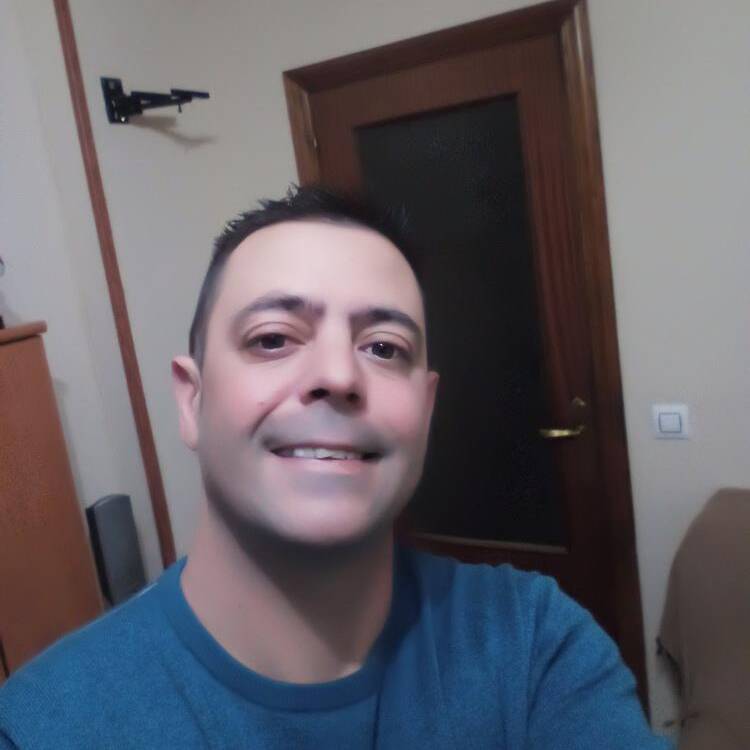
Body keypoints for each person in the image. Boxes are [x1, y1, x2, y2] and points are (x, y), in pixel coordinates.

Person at [0, 186, 672, 748]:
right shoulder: (43, 727)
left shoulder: (532, 646)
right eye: (272, 338)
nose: (339, 375)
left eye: (383, 347)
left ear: (426, 409)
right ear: (191, 400)